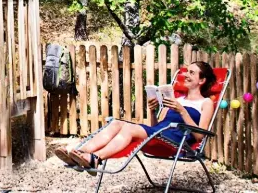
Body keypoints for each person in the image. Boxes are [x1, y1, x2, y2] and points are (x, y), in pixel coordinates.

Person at [54, 61, 217, 170]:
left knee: (129, 129)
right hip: (159, 135)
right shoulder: (176, 99)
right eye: (187, 71)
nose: (186, 75)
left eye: (192, 73)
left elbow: (199, 136)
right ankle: (79, 152)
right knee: (116, 123)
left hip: (175, 142)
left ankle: (96, 158)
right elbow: (156, 126)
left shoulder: (205, 103)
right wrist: (152, 111)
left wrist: (182, 111)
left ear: (201, 80)